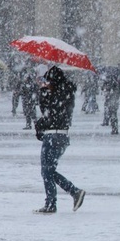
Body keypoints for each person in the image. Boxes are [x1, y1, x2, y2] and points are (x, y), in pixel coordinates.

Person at [33, 66, 85, 213]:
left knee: (46, 171)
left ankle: (54, 202)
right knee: (49, 170)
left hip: (52, 135)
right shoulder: (67, 92)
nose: (46, 82)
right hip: (62, 136)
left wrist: (43, 93)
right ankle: (73, 192)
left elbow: (49, 114)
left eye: (48, 80)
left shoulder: (55, 95)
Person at [101, 68, 120, 135]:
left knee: (112, 114)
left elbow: (105, 89)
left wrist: (106, 88)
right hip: (114, 100)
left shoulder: (112, 83)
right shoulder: (117, 82)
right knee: (113, 114)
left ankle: (114, 128)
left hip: (112, 100)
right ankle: (114, 128)